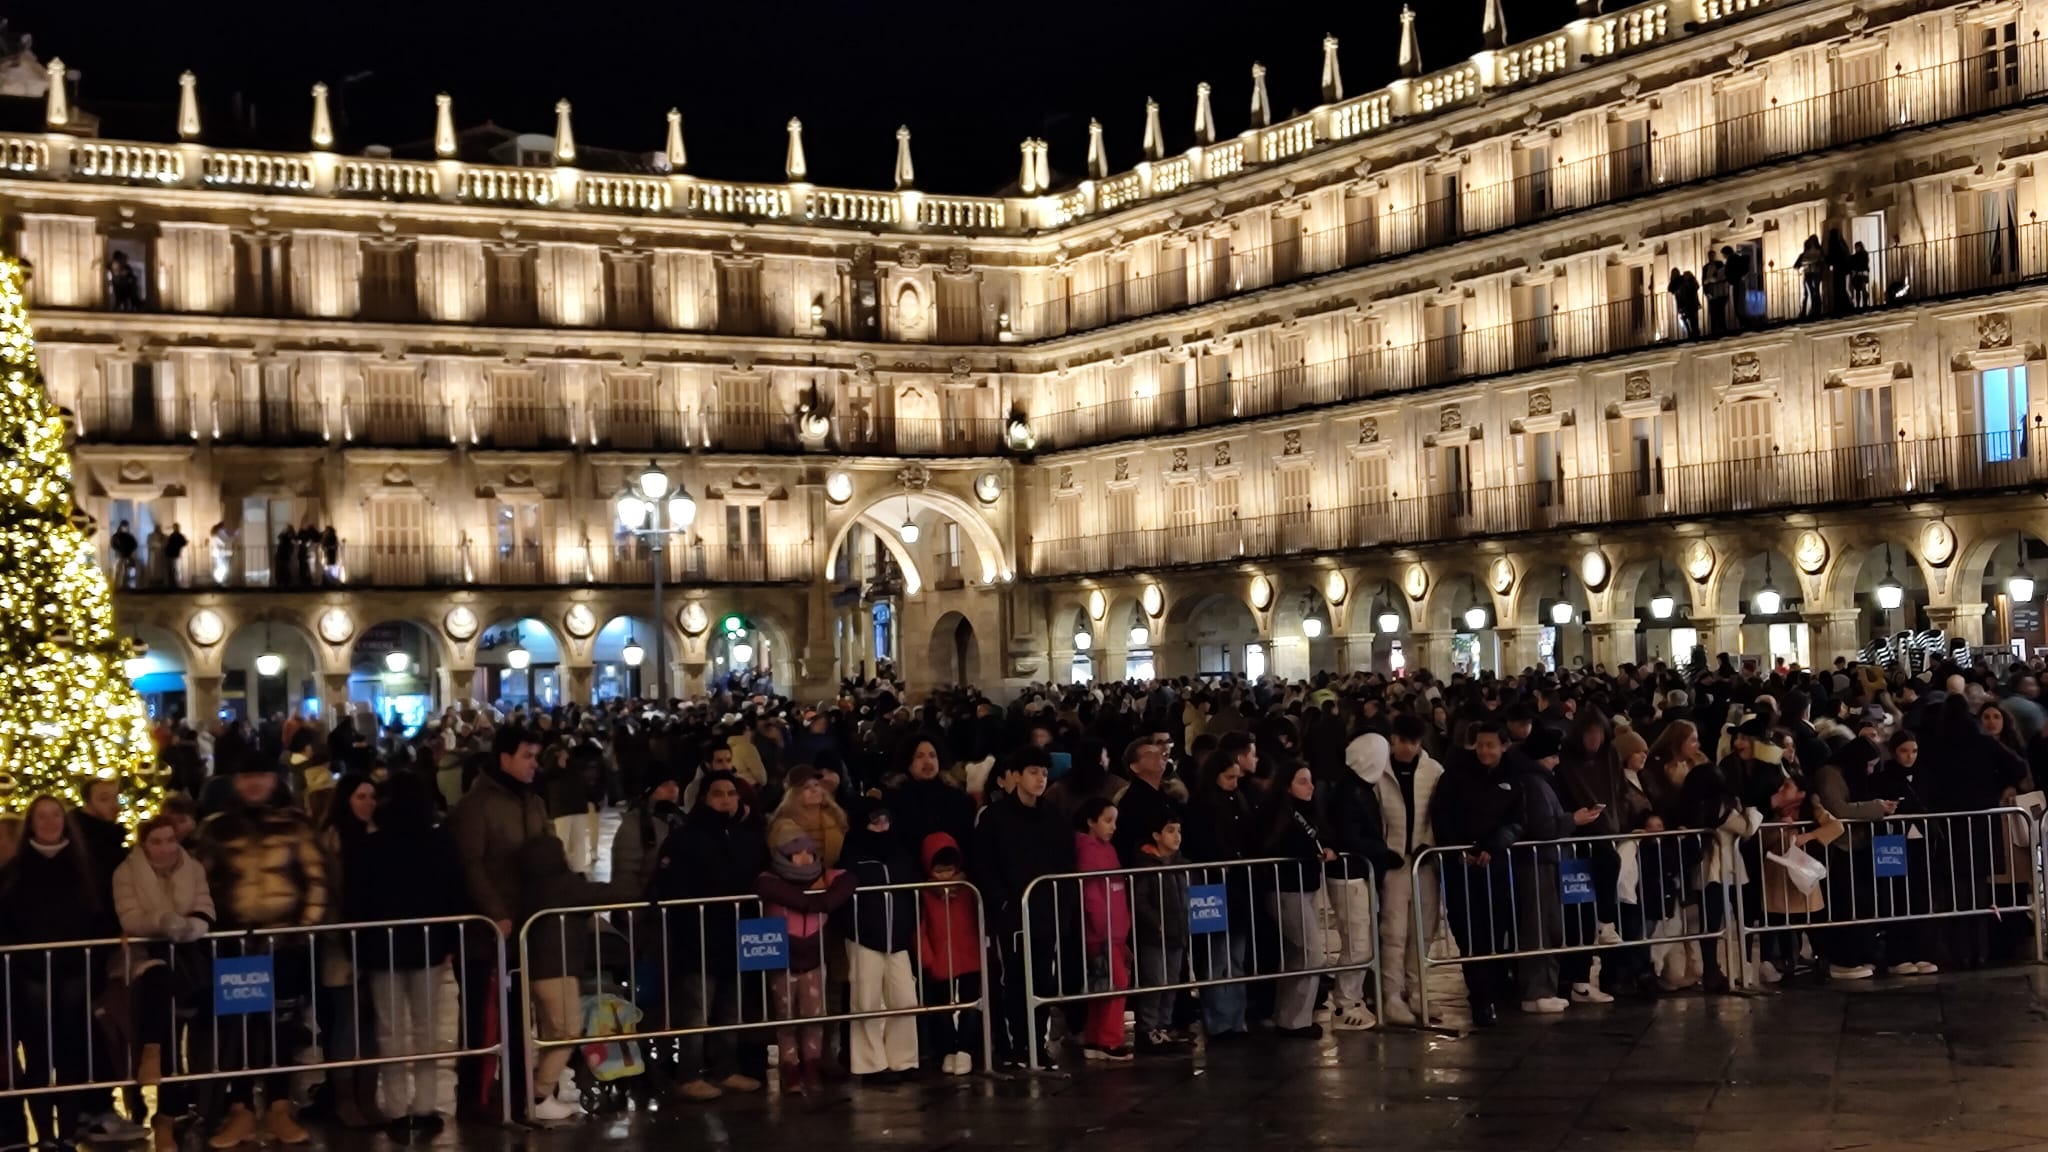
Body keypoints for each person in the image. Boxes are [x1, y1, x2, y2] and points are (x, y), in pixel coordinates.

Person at [197, 752, 327, 1148]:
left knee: (282, 1029)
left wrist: (303, 929)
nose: (254, 784)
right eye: (247, 775)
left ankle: (277, 1105)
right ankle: (240, 1110)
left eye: (262, 775)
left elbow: (316, 878)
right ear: (237, 781)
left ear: (274, 780)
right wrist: (214, 931)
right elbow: (202, 882)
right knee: (238, 1030)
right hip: (235, 946)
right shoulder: (216, 828)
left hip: (285, 945)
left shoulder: (294, 824)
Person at [0, 795, 137, 1147]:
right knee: (39, 1056)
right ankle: (45, 1134)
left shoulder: (84, 866)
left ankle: (67, 1132)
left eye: (55, 815)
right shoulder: (15, 871)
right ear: (32, 822)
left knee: (72, 1052)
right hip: (31, 977)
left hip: (75, 974)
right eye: (41, 816)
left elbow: (99, 915)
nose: (49, 822)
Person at [354, 774, 469, 1137]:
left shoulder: (371, 845)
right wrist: (450, 940)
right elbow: (454, 892)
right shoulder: (438, 841)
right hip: (428, 945)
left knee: (390, 1031)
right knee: (427, 1028)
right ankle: (426, 1105)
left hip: (382, 948)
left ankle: (397, 1106)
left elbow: (357, 900)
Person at [653, 771, 768, 1102]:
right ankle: (688, 1073)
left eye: (732, 793)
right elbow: (672, 885)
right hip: (697, 937)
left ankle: (725, 1067)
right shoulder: (687, 837)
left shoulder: (741, 835)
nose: (727, 800)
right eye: (719, 794)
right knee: (696, 1009)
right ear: (704, 798)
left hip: (732, 934)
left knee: (729, 1008)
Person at [514, 835, 638, 1123]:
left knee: (550, 1033)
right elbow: (608, 894)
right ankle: (539, 1096)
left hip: (538, 969)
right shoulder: (563, 886)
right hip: (558, 968)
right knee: (567, 1032)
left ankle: (540, 1094)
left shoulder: (530, 888)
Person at [110, 813, 213, 1152]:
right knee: (161, 993)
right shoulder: (126, 873)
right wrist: (164, 922)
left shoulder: (192, 868)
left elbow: (204, 906)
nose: (166, 848)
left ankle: (178, 1100)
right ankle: (163, 1105)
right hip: (145, 955)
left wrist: (191, 927)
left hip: (187, 956)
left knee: (180, 1013)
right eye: (157, 841)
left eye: (171, 840)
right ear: (144, 844)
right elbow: (131, 917)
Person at [970, 750, 1073, 1069]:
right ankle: (1015, 1043)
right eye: (1032, 772)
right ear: (1015, 775)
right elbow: (983, 863)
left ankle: (1036, 1042)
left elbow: (1065, 861)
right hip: (1012, 911)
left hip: (1045, 907)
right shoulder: (995, 817)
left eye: (1044, 772)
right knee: (1013, 979)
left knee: (1042, 978)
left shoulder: (1054, 816)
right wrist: (1001, 901)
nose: (1040, 779)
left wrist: (1062, 901)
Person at [756, 832, 855, 1094]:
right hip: (783, 959)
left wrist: (821, 901)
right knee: (785, 1018)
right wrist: (811, 902)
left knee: (814, 1016)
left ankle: (811, 1066)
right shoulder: (770, 879)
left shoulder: (827, 877)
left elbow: (848, 880)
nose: (804, 858)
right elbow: (765, 886)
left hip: (814, 957)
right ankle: (790, 1069)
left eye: (810, 853)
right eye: (796, 854)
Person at [835, 809, 921, 1084]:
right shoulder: (852, 856)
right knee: (865, 1000)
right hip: (863, 937)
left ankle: (903, 1060)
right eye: (874, 820)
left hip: (897, 937)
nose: (882, 825)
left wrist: (909, 925)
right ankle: (869, 1064)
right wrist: (851, 927)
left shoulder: (901, 854)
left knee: (905, 998)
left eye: (886, 819)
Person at [1182, 750, 1257, 1040]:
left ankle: (1235, 1019)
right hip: (1213, 886)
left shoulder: (1236, 800)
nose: (1234, 783)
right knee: (1217, 956)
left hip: (1235, 885)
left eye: (1237, 778)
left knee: (1235, 956)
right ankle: (1221, 1020)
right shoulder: (1202, 807)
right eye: (1229, 777)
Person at [1258, 766, 1329, 1038]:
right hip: (1287, 888)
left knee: (1298, 954)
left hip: (1306, 886)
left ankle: (1289, 1015)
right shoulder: (1281, 815)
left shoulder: (1310, 811)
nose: (1310, 787)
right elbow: (1276, 845)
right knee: (1310, 953)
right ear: (1287, 786)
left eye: (1311, 781)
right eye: (1302, 782)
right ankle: (1295, 1018)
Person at [1070, 798, 1132, 1061]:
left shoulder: (1105, 849)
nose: (1113, 827)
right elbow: (1093, 895)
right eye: (1108, 821)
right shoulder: (1090, 851)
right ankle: (1108, 1040)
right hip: (1104, 932)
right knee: (1117, 984)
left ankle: (1096, 1038)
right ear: (1091, 822)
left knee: (1103, 985)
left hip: (1113, 930)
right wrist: (1104, 928)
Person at [916, 833, 981, 1076]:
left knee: (970, 1005)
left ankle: (965, 1049)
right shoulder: (923, 895)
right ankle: (947, 1049)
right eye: (939, 870)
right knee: (941, 1008)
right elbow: (920, 930)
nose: (945, 875)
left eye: (949, 870)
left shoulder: (968, 890)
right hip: (940, 959)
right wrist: (927, 958)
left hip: (970, 956)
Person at [1129, 816, 1191, 1053]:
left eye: (1178, 831)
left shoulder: (1181, 864)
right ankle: (1147, 1028)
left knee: (1172, 981)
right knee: (1155, 981)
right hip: (1155, 935)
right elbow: (1140, 899)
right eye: (1170, 831)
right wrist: (1156, 921)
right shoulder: (1147, 866)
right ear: (1156, 835)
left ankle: (1163, 1026)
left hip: (1177, 932)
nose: (1176, 836)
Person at [767, 763, 848, 869]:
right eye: (806, 787)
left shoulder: (836, 816)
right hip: (797, 878)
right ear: (794, 795)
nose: (814, 790)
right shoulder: (783, 826)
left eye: (816, 785)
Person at [111, 519, 139, 587]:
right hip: (119, 555)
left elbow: (134, 544)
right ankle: (117, 584)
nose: (126, 528)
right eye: (124, 527)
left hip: (127, 555)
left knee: (126, 571)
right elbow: (113, 545)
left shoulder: (129, 536)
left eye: (126, 527)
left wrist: (130, 551)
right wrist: (119, 550)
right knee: (118, 570)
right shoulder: (116, 536)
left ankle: (124, 584)